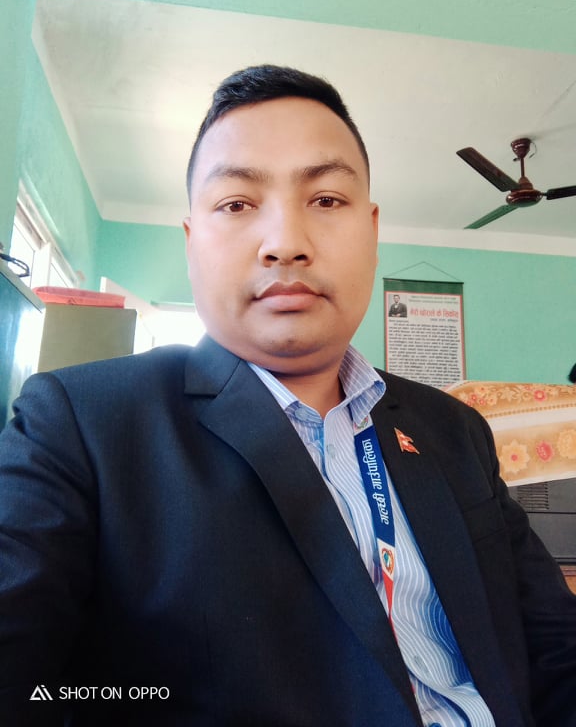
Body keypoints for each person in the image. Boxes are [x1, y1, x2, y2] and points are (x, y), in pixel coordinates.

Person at [0, 65, 575, 727]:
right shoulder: (80, 424)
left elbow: (556, 648)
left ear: (372, 230)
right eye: (236, 204)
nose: (285, 245)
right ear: (192, 242)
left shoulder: (454, 427)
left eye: (326, 200)